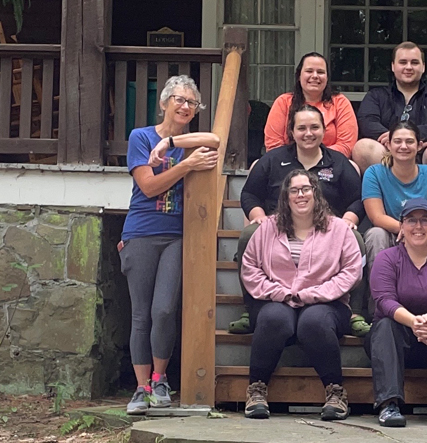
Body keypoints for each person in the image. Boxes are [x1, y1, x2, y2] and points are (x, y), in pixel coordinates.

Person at [120, 75, 220, 415]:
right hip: (142, 231)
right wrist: (187, 165)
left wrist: (174, 144)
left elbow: (216, 138)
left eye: (192, 102)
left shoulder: (188, 140)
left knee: (164, 309)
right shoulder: (141, 137)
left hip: (179, 235)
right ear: (163, 103)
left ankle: (160, 379)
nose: (185, 106)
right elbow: (148, 187)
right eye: (179, 99)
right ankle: (140, 387)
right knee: (141, 314)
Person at [234, 104, 369, 336]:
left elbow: (358, 198)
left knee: (355, 238)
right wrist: (258, 217)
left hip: (327, 236)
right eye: (302, 128)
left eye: (315, 127)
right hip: (278, 231)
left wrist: (348, 219)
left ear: (324, 130)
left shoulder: (338, 162)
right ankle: (251, 306)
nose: (308, 133)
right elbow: (249, 194)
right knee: (249, 235)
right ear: (292, 132)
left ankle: (354, 311)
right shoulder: (272, 159)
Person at [239, 170, 362, 420]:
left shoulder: (339, 229)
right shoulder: (267, 229)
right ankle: (257, 390)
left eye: (306, 189)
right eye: (294, 190)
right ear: (285, 197)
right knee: (274, 319)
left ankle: (336, 392)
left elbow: (351, 271)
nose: (300, 195)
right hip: (276, 299)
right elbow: (250, 267)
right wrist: (280, 293)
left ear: (317, 194)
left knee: (313, 322)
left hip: (327, 302)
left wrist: (313, 294)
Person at [365, 198, 427, 428]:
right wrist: (413, 321)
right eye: (411, 220)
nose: (418, 226)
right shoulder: (387, 258)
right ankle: (388, 404)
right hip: (393, 342)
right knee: (383, 325)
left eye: (424, 220)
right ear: (401, 226)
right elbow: (384, 300)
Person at [352, 41, 427, 176]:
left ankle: (425, 193)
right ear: (393, 66)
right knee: (362, 147)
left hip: (426, 153)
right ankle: (391, 193)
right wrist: (396, 140)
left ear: (423, 67)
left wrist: (414, 137)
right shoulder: (376, 95)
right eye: (403, 62)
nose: (408, 67)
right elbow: (366, 123)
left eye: (414, 63)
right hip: (387, 155)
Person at [362, 120, 427, 277]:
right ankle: (379, 295)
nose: (403, 146)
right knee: (376, 234)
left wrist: (411, 230)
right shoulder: (374, 173)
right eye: (397, 141)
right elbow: (376, 217)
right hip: (390, 232)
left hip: (424, 230)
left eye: (409, 141)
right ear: (388, 145)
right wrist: (402, 229)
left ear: (419, 146)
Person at [264, 52, 358, 158]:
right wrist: (300, 159)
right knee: (256, 166)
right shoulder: (283, 102)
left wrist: (315, 157)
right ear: (299, 76)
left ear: (327, 78)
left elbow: (346, 146)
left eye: (320, 72)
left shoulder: (340, 102)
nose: (315, 76)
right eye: (309, 71)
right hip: (288, 164)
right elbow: (273, 145)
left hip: (331, 163)